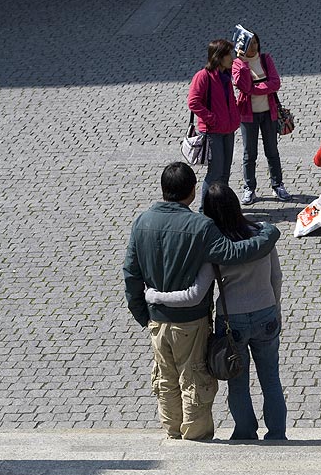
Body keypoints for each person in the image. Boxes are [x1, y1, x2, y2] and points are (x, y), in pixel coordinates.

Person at [122, 162, 280, 441]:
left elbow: (131, 273)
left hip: (170, 321)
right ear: (193, 190)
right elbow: (239, 255)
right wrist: (268, 235)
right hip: (204, 320)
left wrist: (145, 311)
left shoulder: (142, 221)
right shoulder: (203, 228)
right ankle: (203, 439)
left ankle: (180, 435)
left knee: (168, 381)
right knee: (198, 380)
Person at [232, 32, 291, 205]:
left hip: (269, 113)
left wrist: (254, 88)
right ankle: (249, 188)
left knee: (272, 151)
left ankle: (277, 185)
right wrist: (243, 63)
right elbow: (243, 85)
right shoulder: (237, 64)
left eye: (256, 43)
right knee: (249, 154)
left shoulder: (265, 59)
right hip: (248, 116)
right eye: (250, 44)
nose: (254, 47)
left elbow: (275, 83)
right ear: (242, 46)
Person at [188, 39, 241, 210]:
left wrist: (235, 115)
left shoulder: (226, 75)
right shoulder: (203, 77)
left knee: (225, 173)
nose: (232, 58)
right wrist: (211, 118)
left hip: (228, 129)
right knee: (215, 173)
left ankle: (221, 208)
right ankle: (205, 210)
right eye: (228, 54)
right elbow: (193, 102)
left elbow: (229, 99)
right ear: (218, 57)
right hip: (212, 132)